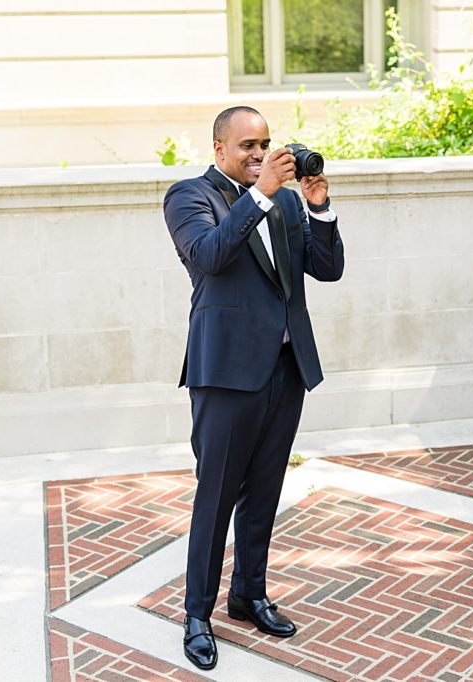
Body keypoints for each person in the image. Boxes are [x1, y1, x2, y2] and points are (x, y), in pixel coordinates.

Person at [164, 106, 344, 671]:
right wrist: (261, 194)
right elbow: (211, 257)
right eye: (246, 145)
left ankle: (248, 594)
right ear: (219, 148)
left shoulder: (287, 199)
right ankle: (197, 614)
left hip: (285, 369)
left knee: (264, 492)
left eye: (265, 142)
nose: (259, 153)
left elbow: (328, 268)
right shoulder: (189, 196)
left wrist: (318, 206)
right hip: (226, 374)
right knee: (215, 496)